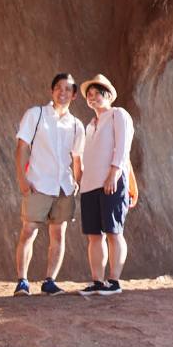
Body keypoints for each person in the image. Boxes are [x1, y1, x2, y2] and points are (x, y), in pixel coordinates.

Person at [13, 73, 84, 297]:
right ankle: (22, 281)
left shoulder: (76, 125)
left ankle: (50, 281)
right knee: (29, 230)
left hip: (63, 186)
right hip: (38, 182)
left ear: (74, 95)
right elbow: (22, 147)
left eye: (68, 89)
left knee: (58, 234)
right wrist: (22, 179)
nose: (62, 92)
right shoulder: (36, 115)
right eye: (58, 88)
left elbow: (77, 158)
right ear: (52, 91)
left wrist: (78, 183)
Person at [77, 74, 134, 296]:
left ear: (107, 95)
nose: (92, 98)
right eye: (89, 95)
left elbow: (122, 146)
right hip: (89, 185)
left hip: (112, 182)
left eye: (97, 94)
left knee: (113, 231)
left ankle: (114, 280)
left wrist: (113, 174)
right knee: (94, 235)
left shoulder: (118, 115)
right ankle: (97, 281)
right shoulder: (89, 125)